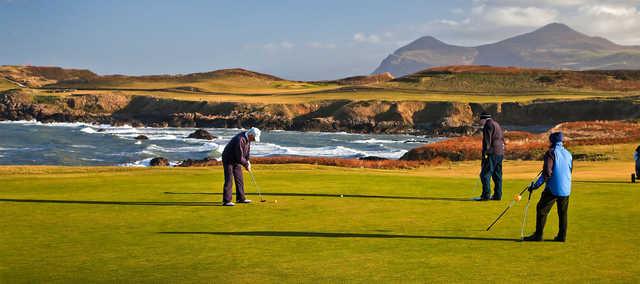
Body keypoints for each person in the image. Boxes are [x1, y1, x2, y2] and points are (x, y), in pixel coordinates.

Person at [523, 132, 573, 242]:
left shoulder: (551, 153)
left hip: (553, 188)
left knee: (541, 209)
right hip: (566, 187)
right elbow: (569, 170)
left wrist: (534, 186)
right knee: (562, 213)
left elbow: (547, 173)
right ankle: (562, 236)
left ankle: (538, 235)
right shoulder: (568, 153)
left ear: (552, 141)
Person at [221, 127, 261, 206]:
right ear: (250, 135)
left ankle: (240, 198)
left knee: (239, 178)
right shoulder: (240, 139)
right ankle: (226, 201)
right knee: (229, 179)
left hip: (236, 159)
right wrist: (246, 164)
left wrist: (248, 161)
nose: (254, 140)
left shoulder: (248, 139)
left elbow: (246, 151)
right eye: (254, 138)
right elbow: (239, 157)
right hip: (228, 159)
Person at [474, 112, 505, 201]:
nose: (480, 122)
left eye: (481, 120)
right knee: (497, 175)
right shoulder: (496, 124)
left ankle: (486, 195)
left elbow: (487, 141)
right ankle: (497, 195)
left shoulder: (488, 125)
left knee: (484, 175)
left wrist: (484, 153)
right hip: (500, 152)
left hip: (492, 152)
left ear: (483, 119)